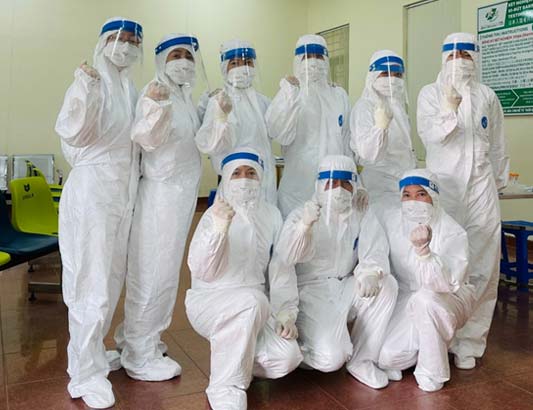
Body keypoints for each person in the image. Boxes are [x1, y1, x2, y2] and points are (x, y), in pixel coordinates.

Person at [55, 17, 142, 408]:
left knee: (110, 279)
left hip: (120, 195)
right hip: (93, 194)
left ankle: (91, 353)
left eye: (134, 41)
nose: (126, 46)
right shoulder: (90, 81)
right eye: (120, 39)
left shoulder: (129, 87)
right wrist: (85, 90)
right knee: (90, 285)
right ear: (104, 42)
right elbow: (73, 132)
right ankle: (85, 374)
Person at [114, 34, 204, 381]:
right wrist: (155, 107)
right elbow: (147, 140)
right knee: (154, 274)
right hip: (161, 196)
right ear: (162, 60)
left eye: (189, 56)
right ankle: (140, 354)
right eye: (176, 55)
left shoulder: (182, 96)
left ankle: (134, 337)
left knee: (161, 272)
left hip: (179, 197)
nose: (183, 62)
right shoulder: (155, 91)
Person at [417, 32, 509, 369]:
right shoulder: (430, 93)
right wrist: (448, 110)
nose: (461, 62)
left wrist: (498, 180)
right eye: (455, 56)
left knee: (484, 261)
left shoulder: (487, 96)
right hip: (446, 187)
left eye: (468, 55)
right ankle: (441, 335)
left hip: (481, 186)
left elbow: (497, 143)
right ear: (444, 59)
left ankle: (469, 341)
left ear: (476, 58)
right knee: (444, 258)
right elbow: (430, 136)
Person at [186, 149, 303, 410]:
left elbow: (281, 268)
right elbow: (203, 271)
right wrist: (219, 230)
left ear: (261, 178)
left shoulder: (272, 215)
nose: (244, 179)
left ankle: (234, 354)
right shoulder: (214, 214)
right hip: (211, 301)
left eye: (251, 173)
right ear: (226, 178)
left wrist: (285, 313)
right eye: (236, 173)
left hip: (255, 307)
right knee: (251, 300)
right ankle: (225, 387)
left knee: (288, 357)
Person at [276, 155, 398, 389]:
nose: (339, 190)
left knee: (387, 285)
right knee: (331, 359)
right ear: (319, 185)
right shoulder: (303, 214)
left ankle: (362, 360)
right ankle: (303, 348)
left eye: (345, 183)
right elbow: (287, 258)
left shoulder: (360, 211)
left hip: (345, 285)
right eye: (331, 183)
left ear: (354, 184)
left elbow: (374, 248)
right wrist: (304, 227)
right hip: (312, 291)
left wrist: (370, 272)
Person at [378, 169, 475, 392]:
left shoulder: (452, 230)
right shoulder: (393, 221)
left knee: (426, 300)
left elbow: (447, 284)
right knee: (388, 357)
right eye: (407, 195)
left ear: (434, 196)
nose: (413, 201)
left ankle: (433, 373)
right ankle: (438, 340)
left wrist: (425, 254)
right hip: (409, 297)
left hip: (447, 298)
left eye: (421, 194)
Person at [265, 34, 352, 218]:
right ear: (298, 61)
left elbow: (346, 141)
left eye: (319, 56)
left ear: (326, 60)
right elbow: (277, 132)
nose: (313, 62)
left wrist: (352, 179)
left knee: (330, 231)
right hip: (298, 186)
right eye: (307, 56)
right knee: (296, 230)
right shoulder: (291, 93)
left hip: (332, 185)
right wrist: (289, 96)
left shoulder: (339, 95)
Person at [195, 40, 276, 204]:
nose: (242, 67)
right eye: (235, 63)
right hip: (236, 179)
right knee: (232, 217)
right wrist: (221, 117)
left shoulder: (263, 102)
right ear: (225, 67)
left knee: (266, 216)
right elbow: (210, 144)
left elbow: (277, 132)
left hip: (265, 177)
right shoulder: (219, 101)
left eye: (247, 62)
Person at [350, 50, 416, 218]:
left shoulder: (399, 108)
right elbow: (368, 153)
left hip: (403, 181)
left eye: (397, 74)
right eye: (385, 74)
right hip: (377, 183)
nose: (392, 79)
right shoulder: (364, 107)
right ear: (373, 76)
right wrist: (380, 128)